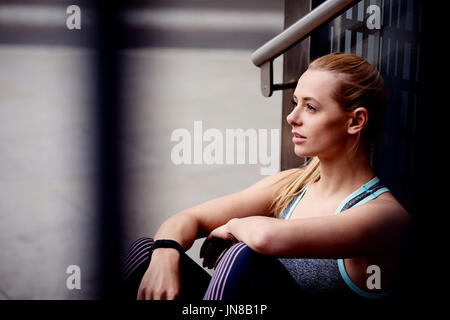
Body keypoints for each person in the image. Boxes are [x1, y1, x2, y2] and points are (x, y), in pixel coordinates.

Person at [119, 52, 411, 301]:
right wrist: (166, 253)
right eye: (295, 102)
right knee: (146, 253)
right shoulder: (292, 185)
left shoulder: (384, 217)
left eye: (310, 107)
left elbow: (263, 237)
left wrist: (233, 225)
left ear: (355, 121)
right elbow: (184, 220)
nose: (292, 117)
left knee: (241, 258)